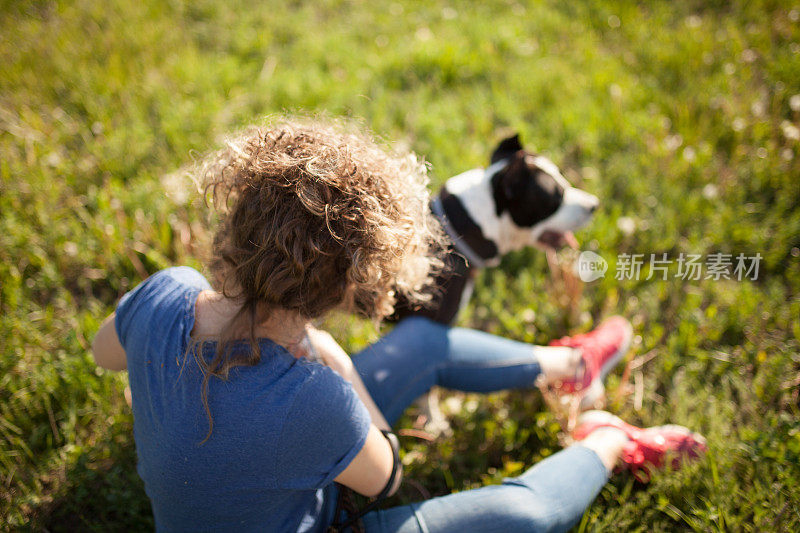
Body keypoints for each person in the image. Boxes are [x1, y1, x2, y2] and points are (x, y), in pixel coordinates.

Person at [92, 118, 706, 532]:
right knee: (526, 513)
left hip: (270, 447)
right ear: (347, 286)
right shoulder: (316, 394)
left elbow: (106, 354)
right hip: (316, 513)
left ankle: (572, 366)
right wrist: (332, 360)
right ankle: (610, 441)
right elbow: (386, 477)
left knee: (420, 341)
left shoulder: (167, 292)